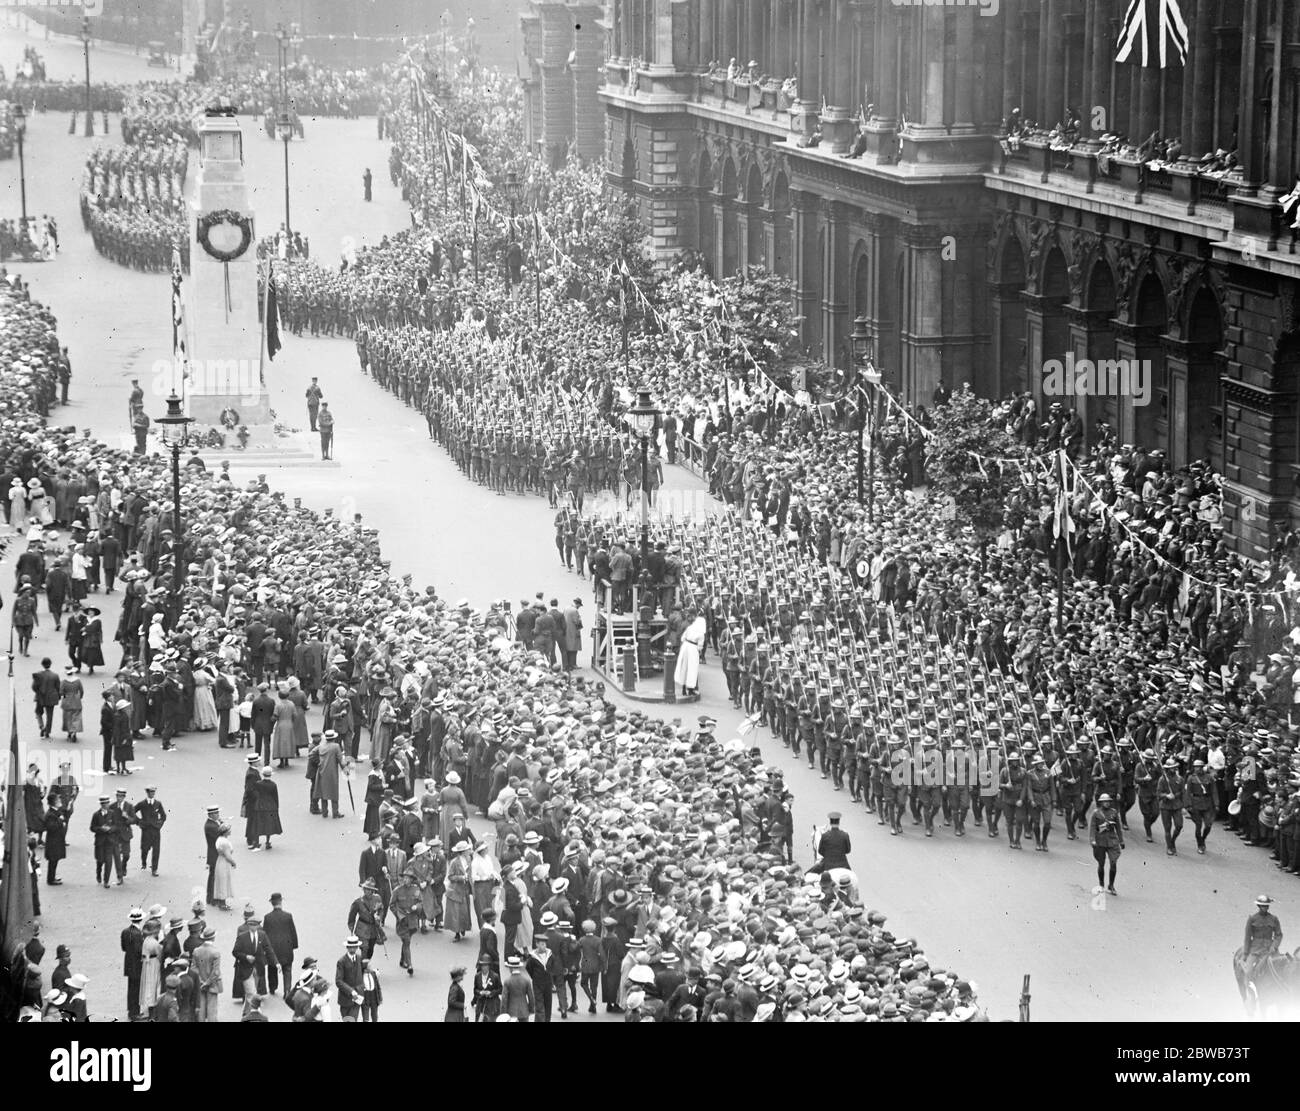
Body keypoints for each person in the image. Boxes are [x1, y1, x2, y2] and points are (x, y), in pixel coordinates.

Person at [1241, 895, 1284, 982]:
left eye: (1266, 906)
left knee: (1281, 968)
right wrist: (1245, 953)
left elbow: (1278, 935)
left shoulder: (1274, 919)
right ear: (1259, 906)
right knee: (1249, 971)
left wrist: (1274, 946)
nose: (1265, 908)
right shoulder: (1252, 919)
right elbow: (1247, 937)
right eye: (1263, 906)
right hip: (1256, 950)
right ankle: (1251, 992)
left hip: (1270, 949)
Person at [264, 893, 299, 996]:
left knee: (272, 968)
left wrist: (265, 948)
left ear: (272, 904)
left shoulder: (267, 917)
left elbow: (265, 934)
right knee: (287, 969)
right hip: (286, 948)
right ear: (281, 902)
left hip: (273, 948)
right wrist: (294, 945)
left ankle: (272, 988)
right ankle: (287, 990)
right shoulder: (288, 916)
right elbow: (293, 932)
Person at [1089, 792, 1124, 896]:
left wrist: (1121, 840)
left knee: (1113, 863)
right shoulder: (1096, 813)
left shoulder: (1114, 812)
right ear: (1100, 802)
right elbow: (1092, 828)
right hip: (1100, 840)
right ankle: (1101, 884)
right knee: (1101, 863)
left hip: (1112, 840)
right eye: (1104, 802)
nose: (1106, 803)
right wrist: (1092, 840)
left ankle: (1111, 885)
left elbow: (1118, 828)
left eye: (1108, 801)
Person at [133, 785, 166, 876]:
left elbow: (163, 816)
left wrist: (159, 824)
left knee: (156, 850)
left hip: (156, 831)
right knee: (145, 849)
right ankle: (144, 861)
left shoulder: (158, 804)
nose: (152, 794)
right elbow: (132, 811)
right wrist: (139, 822)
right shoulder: (142, 804)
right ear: (147, 793)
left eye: (153, 792)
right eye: (150, 792)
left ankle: (154, 869)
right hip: (146, 830)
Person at [192, 926, 221, 1022]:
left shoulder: (196, 951)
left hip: (200, 985)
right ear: (213, 938)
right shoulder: (215, 952)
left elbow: (194, 968)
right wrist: (207, 982)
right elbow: (216, 972)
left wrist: (200, 981)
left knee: (201, 1008)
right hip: (212, 984)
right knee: (212, 1009)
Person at [120, 907, 145, 1021]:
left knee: (131, 988)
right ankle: (135, 1012)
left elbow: (124, 947)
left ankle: (131, 1010)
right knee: (136, 989)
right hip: (137, 965)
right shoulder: (138, 934)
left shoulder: (125, 931)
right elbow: (140, 950)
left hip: (129, 963)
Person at [334, 935, 366, 1020]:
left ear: (357, 947)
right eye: (350, 947)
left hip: (357, 998)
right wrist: (351, 991)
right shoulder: (342, 961)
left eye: (354, 947)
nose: (352, 949)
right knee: (347, 1019)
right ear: (347, 947)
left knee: (353, 1019)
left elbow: (362, 972)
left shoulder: (359, 958)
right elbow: (338, 981)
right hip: (345, 999)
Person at [32, 657, 60, 739]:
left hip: (40, 697)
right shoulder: (55, 675)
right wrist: (59, 696)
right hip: (51, 697)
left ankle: (41, 726)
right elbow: (58, 687)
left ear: (42, 665)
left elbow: (34, 687)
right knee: (49, 715)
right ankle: (47, 731)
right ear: (50, 664)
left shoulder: (38, 675)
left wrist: (38, 692)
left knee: (38, 712)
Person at [212, 822, 236, 910]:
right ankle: (222, 903)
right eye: (229, 830)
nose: (230, 831)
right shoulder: (225, 842)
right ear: (225, 832)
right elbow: (228, 856)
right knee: (224, 881)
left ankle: (221, 902)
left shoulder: (219, 839)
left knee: (221, 881)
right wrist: (234, 863)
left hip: (220, 861)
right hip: (224, 863)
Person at [472, 954, 502, 1021]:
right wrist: (480, 992)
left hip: (492, 1005)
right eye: (482, 965)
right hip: (481, 1005)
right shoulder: (477, 976)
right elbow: (475, 990)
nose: (484, 967)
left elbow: (500, 989)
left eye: (486, 965)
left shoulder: (495, 976)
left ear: (489, 966)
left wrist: (491, 993)